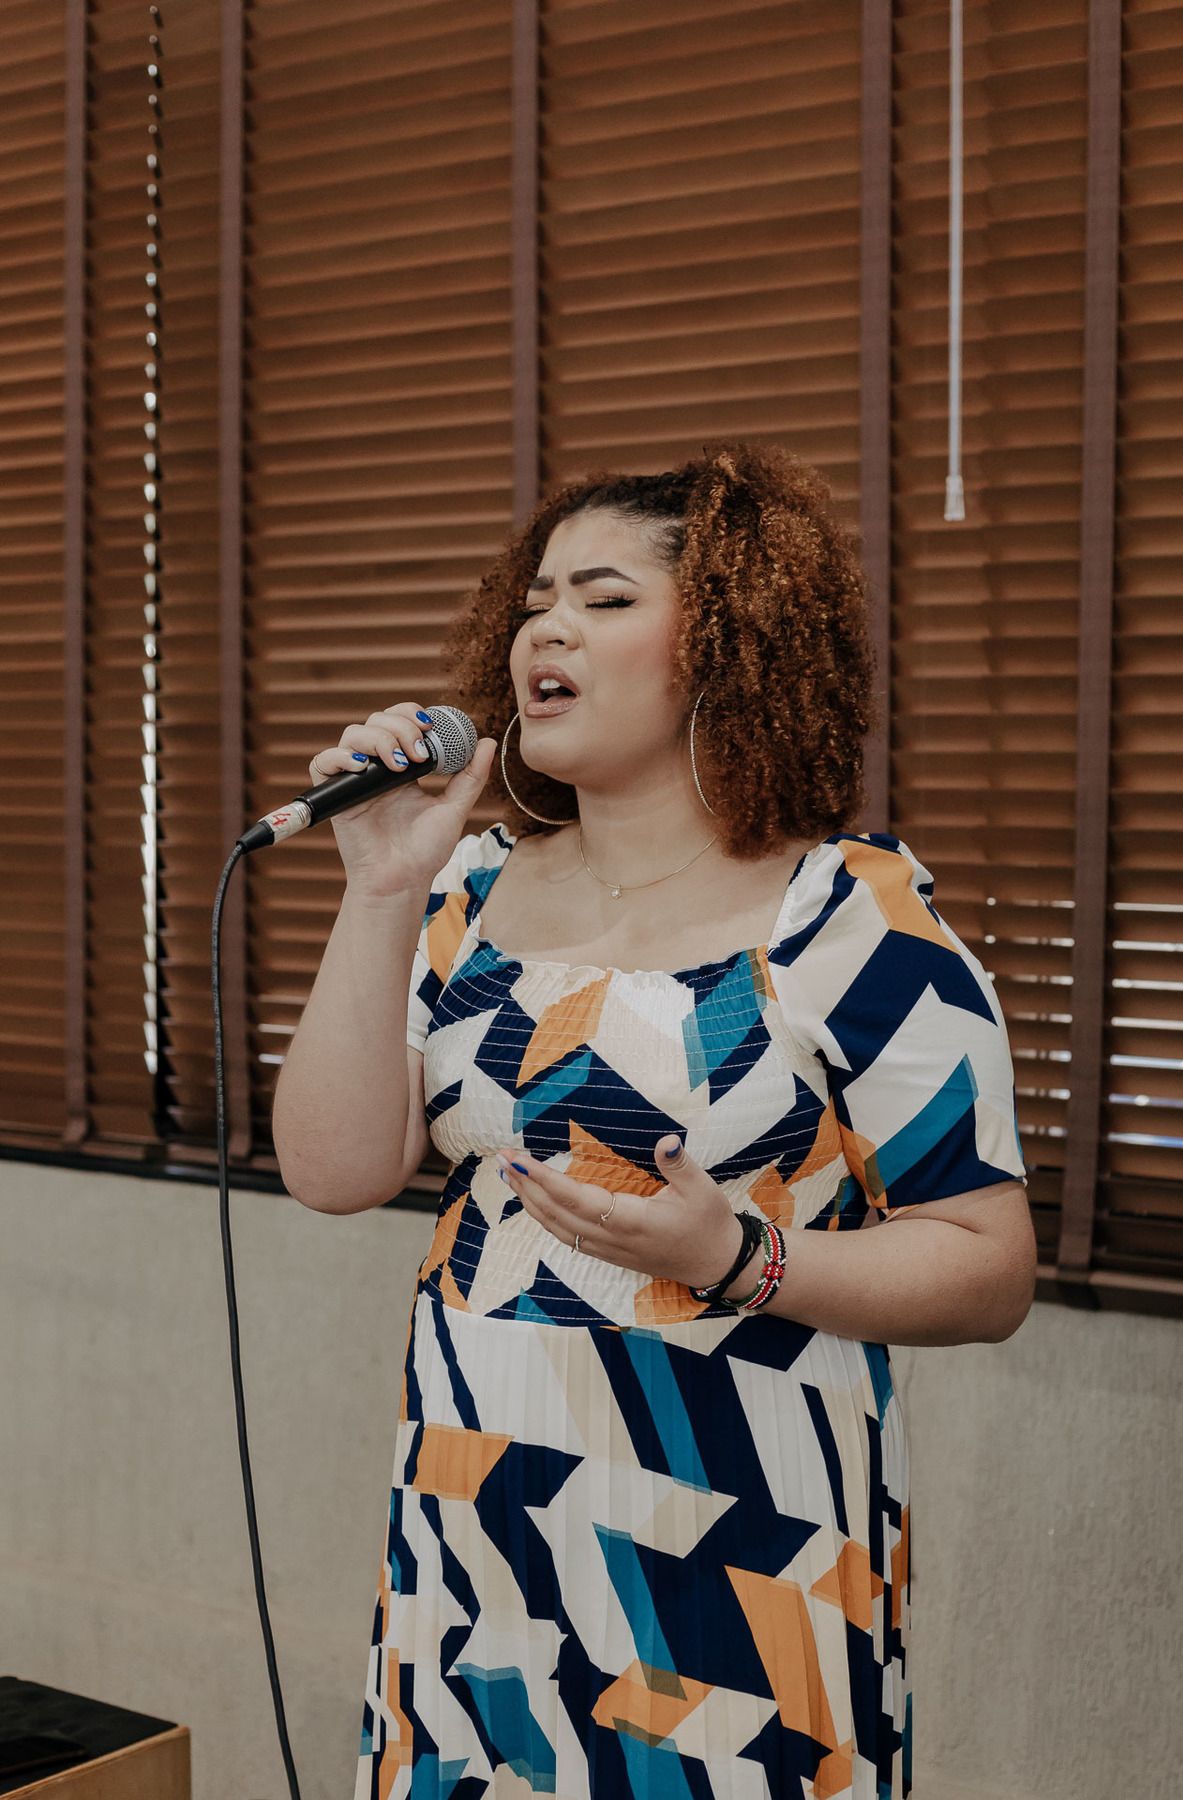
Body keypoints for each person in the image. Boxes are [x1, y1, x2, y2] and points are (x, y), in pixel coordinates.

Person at [273, 442, 1035, 1800]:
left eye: (606, 597)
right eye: (536, 601)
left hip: (735, 1542)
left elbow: (987, 1262)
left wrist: (741, 1261)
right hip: (477, 1521)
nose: (545, 627)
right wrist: (380, 888)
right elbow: (333, 1172)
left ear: (724, 643)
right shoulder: (461, 890)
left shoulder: (848, 914)